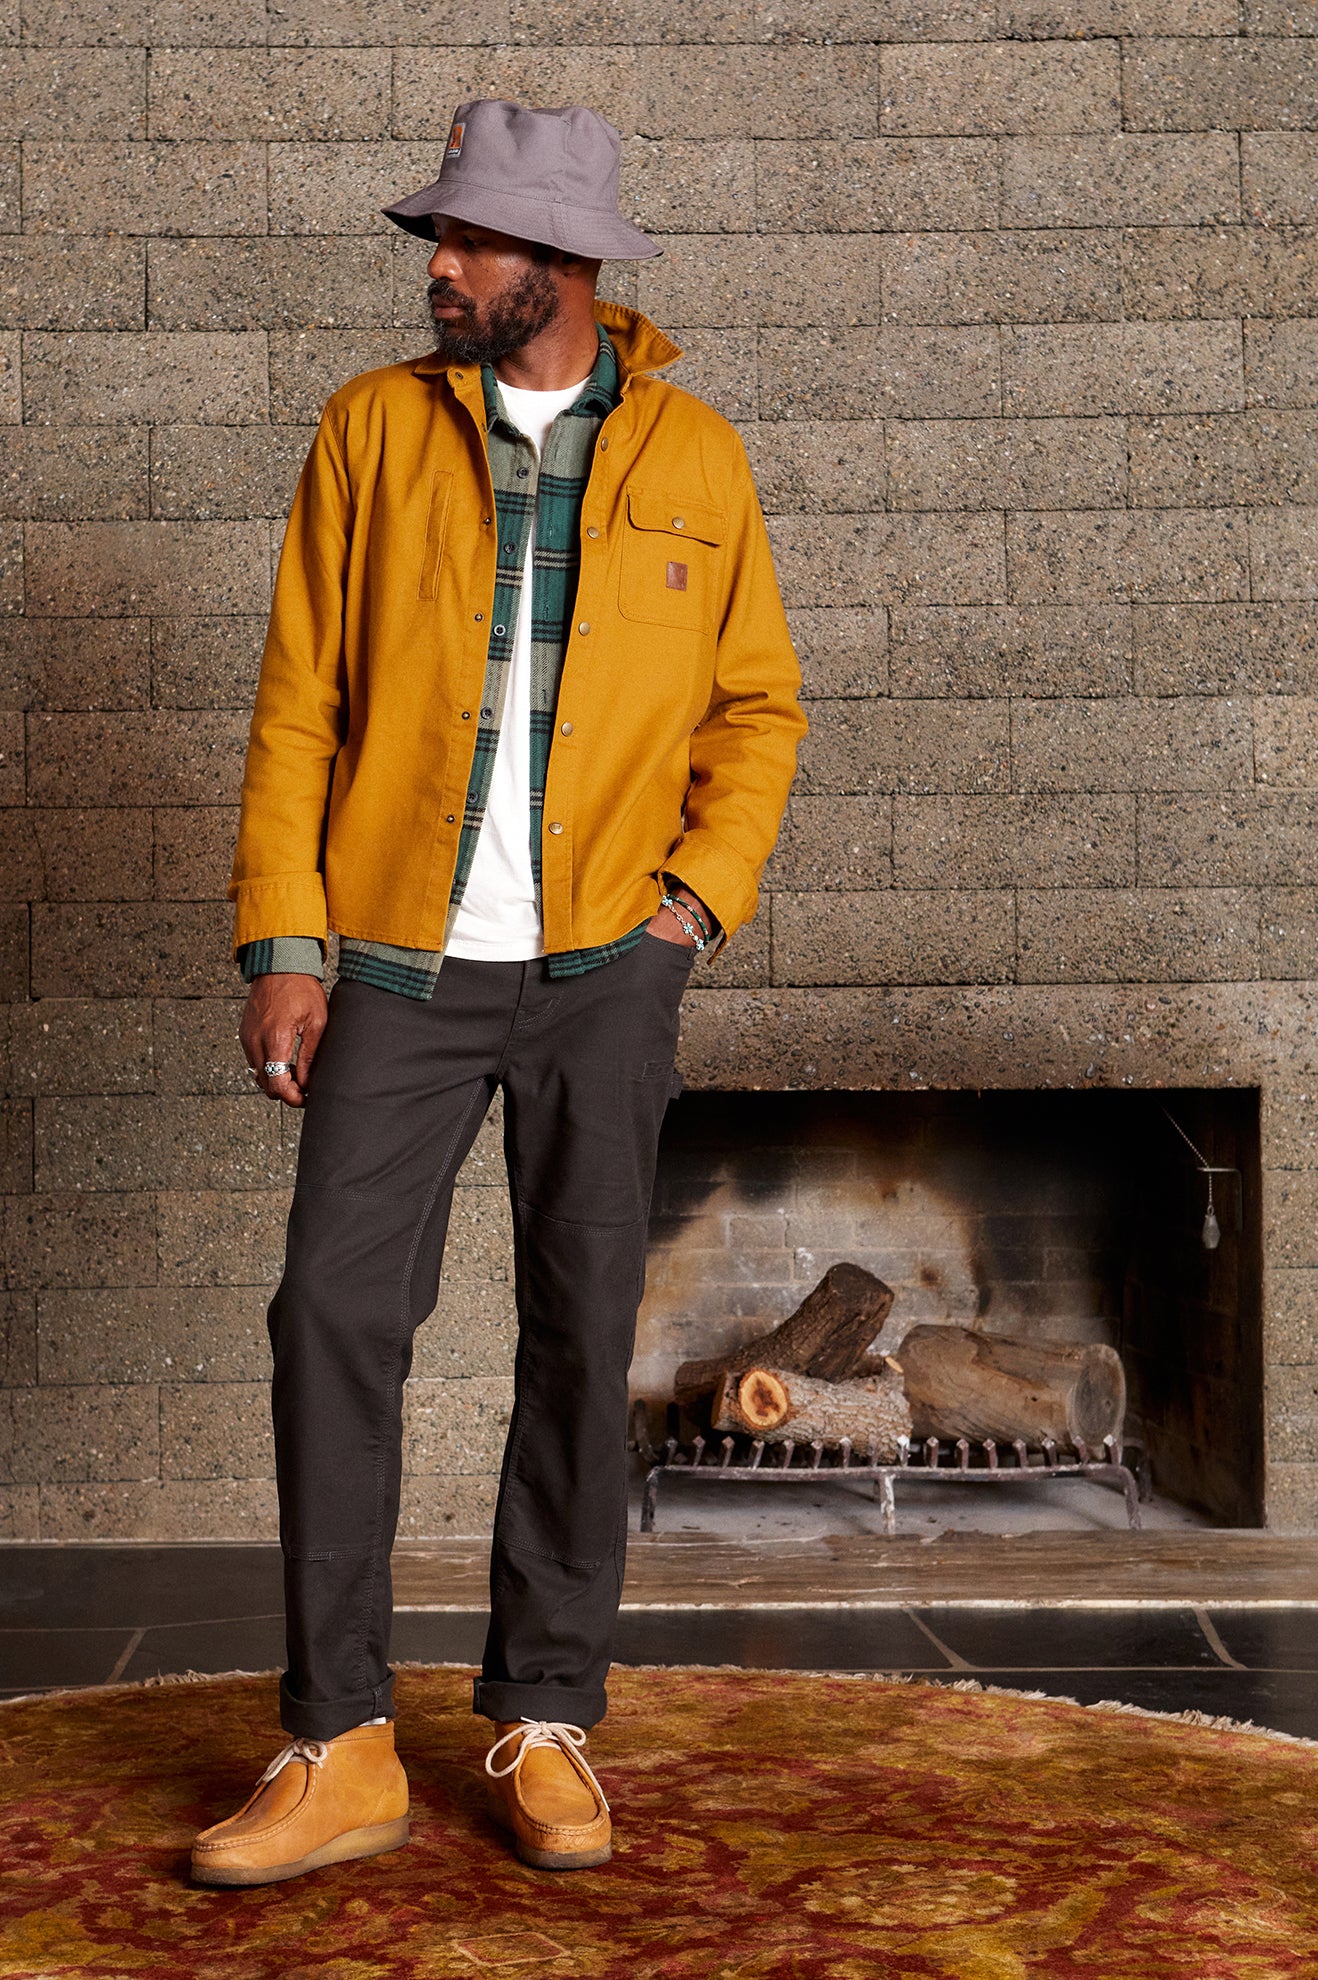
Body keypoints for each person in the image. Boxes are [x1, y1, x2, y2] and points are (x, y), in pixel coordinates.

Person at [190, 97, 806, 1887]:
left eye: (468, 243)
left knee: (579, 1325)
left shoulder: (694, 454)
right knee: (330, 1312)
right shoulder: (371, 430)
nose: (439, 270)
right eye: (440, 243)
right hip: (395, 956)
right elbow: (300, 697)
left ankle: (545, 1715)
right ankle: (339, 1739)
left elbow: (756, 705)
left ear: (562, 263)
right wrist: (284, 943)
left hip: (607, 963)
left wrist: (692, 904)